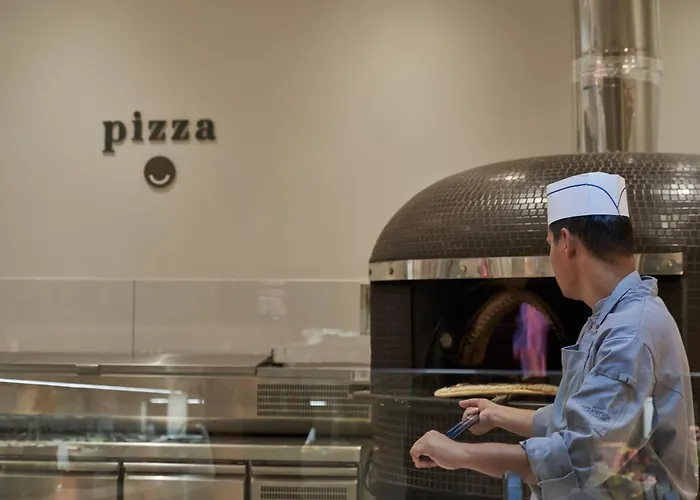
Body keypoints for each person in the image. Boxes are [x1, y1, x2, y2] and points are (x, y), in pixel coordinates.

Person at [410, 172, 699, 499]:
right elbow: (583, 419)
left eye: (548, 245)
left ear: (566, 242)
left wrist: (459, 454)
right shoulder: (612, 317)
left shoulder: (629, 332)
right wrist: (498, 414)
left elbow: (576, 457)